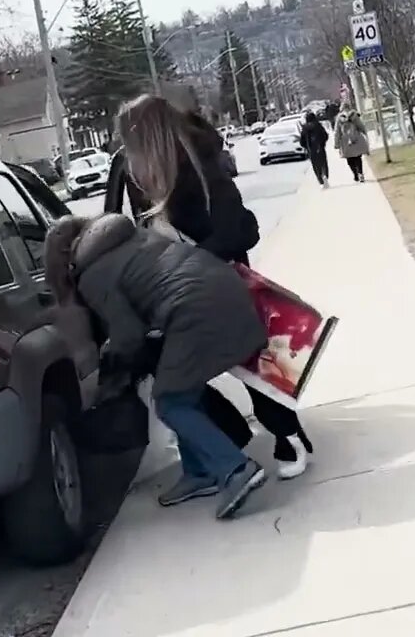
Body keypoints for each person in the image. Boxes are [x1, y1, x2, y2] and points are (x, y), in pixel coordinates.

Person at [113, 95, 316, 488]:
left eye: (129, 142)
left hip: (221, 282)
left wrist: (191, 262)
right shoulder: (150, 176)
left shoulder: (200, 169)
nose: (125, 152)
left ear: (148, 138)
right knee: (176, 370)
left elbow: (240, 229)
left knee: (249, 365)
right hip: (185, 290)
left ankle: (290, 438)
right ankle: (233, 437)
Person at [44, 213, 268, 520]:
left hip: (195, 313)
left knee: (170, 402)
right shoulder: (134, 236)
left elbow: (128, 333)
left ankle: (235, 468)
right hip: (227, 290)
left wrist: (112, 363)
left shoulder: (92, 275)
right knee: (184, 391)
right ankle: (199, 472)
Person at [333, 106, 368, 182]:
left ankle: (355, 174)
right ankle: (360, 173)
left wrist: (336, 143)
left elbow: (337, 132)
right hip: (356, 138)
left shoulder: (339, 118)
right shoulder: (354, 115)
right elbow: (361, 126)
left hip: (345, 141)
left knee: (349, 159)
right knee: (358, 157)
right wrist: (365, 132)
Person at [300, 112, 330, 187]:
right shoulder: (318, 125)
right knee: (323, 163)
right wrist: (323, 144)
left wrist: (306, 147)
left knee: (316, 166)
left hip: (311, 150)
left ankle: (321, 181)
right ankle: (325, 175)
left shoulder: (305, 128)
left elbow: (302, 141)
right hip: (320, 148)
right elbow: (325, 136)